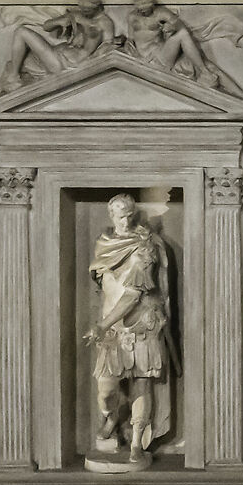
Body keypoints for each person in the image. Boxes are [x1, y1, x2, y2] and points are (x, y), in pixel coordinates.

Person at [84, 195, 172, 464]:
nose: (126, 220)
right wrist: (105, 323)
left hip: (141, 325)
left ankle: (136, 443)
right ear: (111, 215)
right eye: (121, 216)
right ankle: (111, 417)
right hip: (112, 330)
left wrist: (101, 325)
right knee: (106, 391)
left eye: (130, 215)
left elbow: (133, 295)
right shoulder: (103, 243)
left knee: (142, 384)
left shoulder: (145, 246)